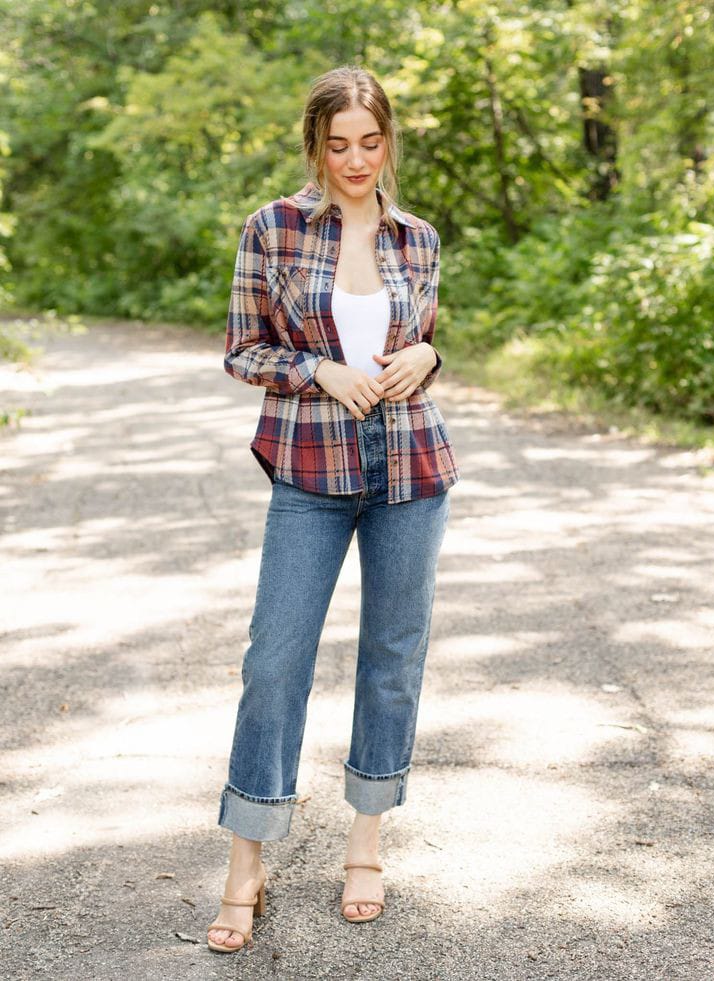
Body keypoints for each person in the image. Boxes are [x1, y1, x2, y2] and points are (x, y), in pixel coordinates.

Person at [207, 64, 460, 954]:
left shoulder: (418, 238)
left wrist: (425, 355)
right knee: (275, 660)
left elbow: (425, 335)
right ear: (316, 144)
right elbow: (244, 350)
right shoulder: (272, 228)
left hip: (410, 469)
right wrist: (316, 367)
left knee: (394, 656)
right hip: (308, 470)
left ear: (389, 139)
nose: (356, 159)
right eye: (338, 143)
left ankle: (365, 843)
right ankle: (247, 862)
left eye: (371, 140)